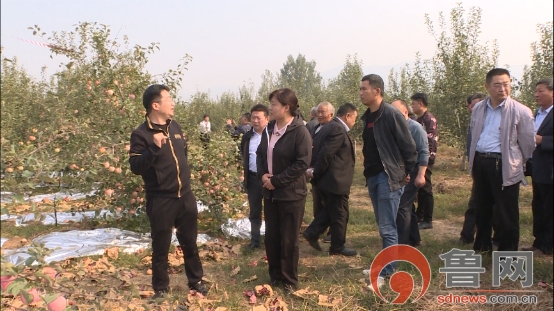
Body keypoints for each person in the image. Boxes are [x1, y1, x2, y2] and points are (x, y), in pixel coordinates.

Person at [129, 84, 207, 299]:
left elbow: (183, 155)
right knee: (161, 247)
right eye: (168, 99)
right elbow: (135, 166)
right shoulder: (141, 134)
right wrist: (153, 148)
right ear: (155, 105)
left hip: (185, 197)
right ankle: (161, 289)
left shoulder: (176, 127)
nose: (172, 103)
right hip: (161, 200)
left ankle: (196, 281)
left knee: (190, 242)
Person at [359, 74, 417, 291]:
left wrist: (407, 171)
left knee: (388, 227)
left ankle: (388, 272)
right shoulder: (369, 117)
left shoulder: (391, 115)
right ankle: (383, 266)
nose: (361, 92)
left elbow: (409, 146)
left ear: (377, 91)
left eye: (364, 89)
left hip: (388, 176)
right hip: (373, 176)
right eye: (360, 89)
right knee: (383, 225)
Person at [468, 68, 535, 253]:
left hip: (504, 164)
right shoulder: (479, 108)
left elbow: (528, 143)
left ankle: (507, 253)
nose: (502, 89)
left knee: (507, 213)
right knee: (482, 209)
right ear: (487, 86)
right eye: (497, 85)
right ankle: (482, 247)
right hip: (481, 162)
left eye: (506, 84)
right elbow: (474, 134)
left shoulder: (521, 111)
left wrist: (518, 162)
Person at [256, 88, 312, 295]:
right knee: (271, 236)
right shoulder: (270, 128)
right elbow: (260, 154)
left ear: (286, 107)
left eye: (273, 104)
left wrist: (277, 181)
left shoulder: (300, 131)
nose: (270, 107)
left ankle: (289, 280)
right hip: (270, 193)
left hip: (291, 194)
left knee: (289, 238)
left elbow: (302, 163)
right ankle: (275, 274)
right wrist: (263, 175)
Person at [302, 103, 358, 256]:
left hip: (329, 179)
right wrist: (316, 172)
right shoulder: (337, 129)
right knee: (339, 212)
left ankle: (314, 233)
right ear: (347, 116)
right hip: (335, 179)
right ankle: (336, 246)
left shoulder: (325, 127)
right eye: (354, 118)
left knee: (333, 210)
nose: (354, 122)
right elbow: (326, 153)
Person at [522, 78, 553, 256]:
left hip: (550, 169)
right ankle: (538, 241)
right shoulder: (537, 114)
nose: (536, 94)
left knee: (549, 208)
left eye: (541, 91)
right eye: (535, 91)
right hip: (537, 168)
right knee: (538, 206)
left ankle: (547, 246)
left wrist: (544, 141)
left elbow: (541, 139)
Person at [391, 100, 428, 247]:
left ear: (406, 112)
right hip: (399, 172)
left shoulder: (415, 128)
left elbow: (424, 152)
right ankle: (414, 238)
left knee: (402, 206)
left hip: (413, 171)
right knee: (408, 206)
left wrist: (421, 175)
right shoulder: (393, 128)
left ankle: (401, 243)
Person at [458, 92, 491, 245]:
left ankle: (494, 239)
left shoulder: (491, 121)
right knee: (475, 203)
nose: (473, 108)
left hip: (493, 167)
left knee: (494, 205)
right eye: (471, 106)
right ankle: (467, 236)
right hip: (478, 168)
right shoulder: (474, 121)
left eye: (477, 105)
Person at [240, 105, 270, 251]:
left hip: (269, 179)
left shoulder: (272, 135)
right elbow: (243, 155)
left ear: (267, 119)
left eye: (259, 117)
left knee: (271, 209)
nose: (255, 120)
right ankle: (255, 240)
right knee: (255, 210)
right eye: (253, 117)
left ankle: (272, 238)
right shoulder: (247, 137)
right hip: (252, 178)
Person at [308, 102, 335, 243]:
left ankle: (332, 232)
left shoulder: (334, 129)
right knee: (318, 202)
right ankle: (319, 229)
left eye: (322, 112)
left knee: (330, 203)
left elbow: (328, 153)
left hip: (328, 173)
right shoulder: (316, 128)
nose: (319, 115)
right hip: (315, 171)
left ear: (331, 114)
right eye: (318, 112)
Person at [410, 93, 437, 230]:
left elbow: (430, 142)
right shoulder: (417, 119)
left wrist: (426, 160)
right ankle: (419, 216)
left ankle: (428, 219)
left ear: (421, 104)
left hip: (425, 158)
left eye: (413, 103)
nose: (412, 106)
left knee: (426, 188)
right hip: (417, 158)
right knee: (418, 188)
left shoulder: (429, 119)